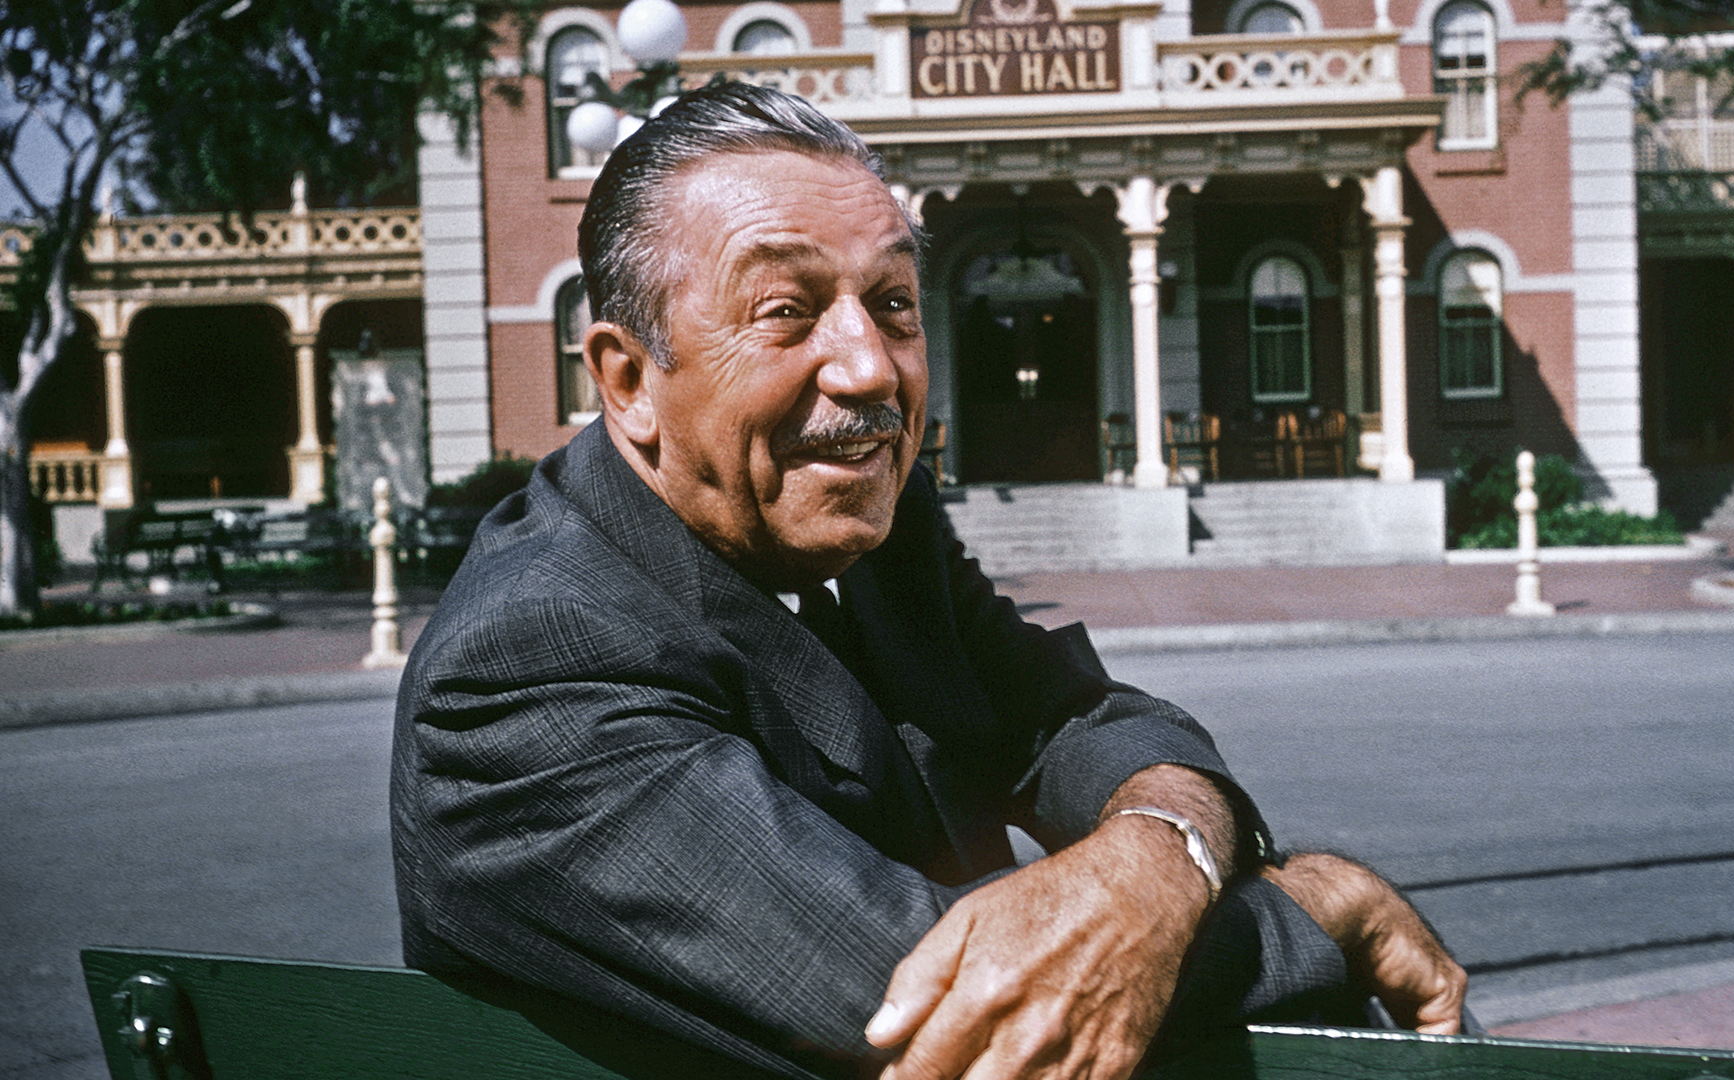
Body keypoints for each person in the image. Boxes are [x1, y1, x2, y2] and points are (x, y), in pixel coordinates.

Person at [390, 82, 1465, 1080]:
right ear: (629, 378)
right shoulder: (528, 665)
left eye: (895, 303)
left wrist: (1157, 851)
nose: (871, 369)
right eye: (787, 309)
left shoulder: (867, 522)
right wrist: (1324, 909)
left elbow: (1076, 719)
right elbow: (944, 998)